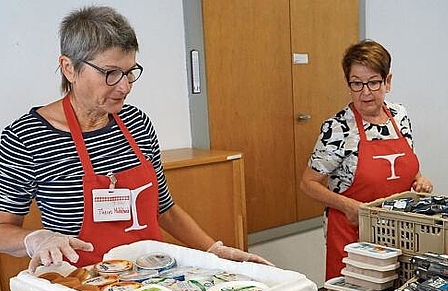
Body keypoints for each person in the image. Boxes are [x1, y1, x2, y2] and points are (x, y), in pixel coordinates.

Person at [0, 6, 269, 271]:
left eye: (129, 72)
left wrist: (213, 250)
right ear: (69, 68)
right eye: (111, 73)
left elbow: (165, 209)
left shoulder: (136, 123)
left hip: (151, 281)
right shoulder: (26, 138)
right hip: (83, 287)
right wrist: (35, 239)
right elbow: (2, 228)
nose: (125, 86)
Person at [300, 39, 433, 281]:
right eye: (357, 84)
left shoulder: (399, 116)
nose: (366, 92)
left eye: (373, 82)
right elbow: (308, 183)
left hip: (398, 233)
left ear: (387, 81)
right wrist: (348, 206)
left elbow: (406, 166)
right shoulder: (338, 127)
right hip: (352, 238)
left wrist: (419, 180)